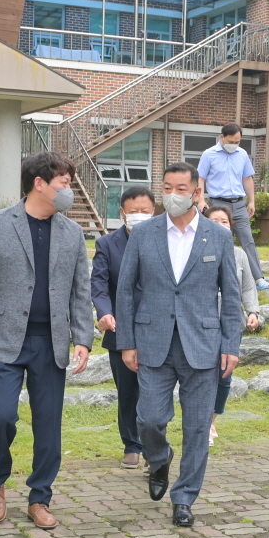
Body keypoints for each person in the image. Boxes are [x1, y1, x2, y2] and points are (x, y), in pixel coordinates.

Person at [0, 151, 93, 530]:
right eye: (64, 183)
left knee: (48, 425)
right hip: (5, 340)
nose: (69, 191)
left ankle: (40, 497)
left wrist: (82, 338)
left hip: (50, 343)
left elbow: (80, 291)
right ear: (40, 183)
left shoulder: (72, 233)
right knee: (2, 415)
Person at [116, 162, 242, 527]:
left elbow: (230, 296)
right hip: (152, 341)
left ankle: (184, 497)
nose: (173, 195)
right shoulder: (144, 233)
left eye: (181, 189)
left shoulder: (217, 236)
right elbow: (125, 291)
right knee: (149, 419)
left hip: (203, 344)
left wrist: (231, 345)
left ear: (197, 192)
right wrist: (127, 342)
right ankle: (159, 459)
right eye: (167, 188)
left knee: (198, 426)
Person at [91, 186, 155, 470]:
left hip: (157, 327)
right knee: (128, 391)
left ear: (154, 212)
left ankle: (154, 447)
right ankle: (132, 444)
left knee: (155, 391)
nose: (139, 215)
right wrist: (104, 312)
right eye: (133, 211)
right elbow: (99, 284)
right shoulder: (107, 244)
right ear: (122, 213)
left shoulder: (165, 240)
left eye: (145, 211)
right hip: (121, 327)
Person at [203, 205, 261, 446]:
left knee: (225, 375)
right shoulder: (196, 250)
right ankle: (200, 421)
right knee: (202, 373)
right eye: (214, 221)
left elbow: (247, 287)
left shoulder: (239, 255)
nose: (220, 225)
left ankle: (211, 420)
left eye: (224, 221)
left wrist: (253, 311)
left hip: (231, 323)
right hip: (201, 323)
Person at [196, 123, 269, 291]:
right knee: (218, 241)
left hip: (239, 204)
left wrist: (252, 201)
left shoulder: (242, 154)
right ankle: (217, 278)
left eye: (237, 142)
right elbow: (200, 178)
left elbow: (247, 179)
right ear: (222, 138)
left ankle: (258, 278)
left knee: (248, 240)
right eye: (231, 141)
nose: (234, 144)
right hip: (218, 204)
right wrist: (201, 200)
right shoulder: (209, 154)